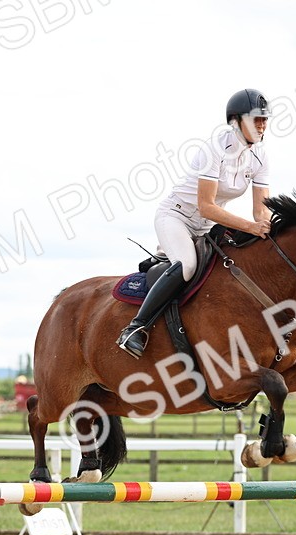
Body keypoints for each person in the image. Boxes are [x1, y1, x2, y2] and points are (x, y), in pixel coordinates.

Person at [117, 88, 274, 358]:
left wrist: (269, 228)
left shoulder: (260, 157)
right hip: (176, 217)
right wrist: (248, 227)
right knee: (187, 266)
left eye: (265, 120)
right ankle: (135, 327)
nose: (262, 125)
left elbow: (261, 212)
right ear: (236, 121)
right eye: (256, 119)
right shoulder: (214, 148)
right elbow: (206, 205)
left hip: (205, 228)